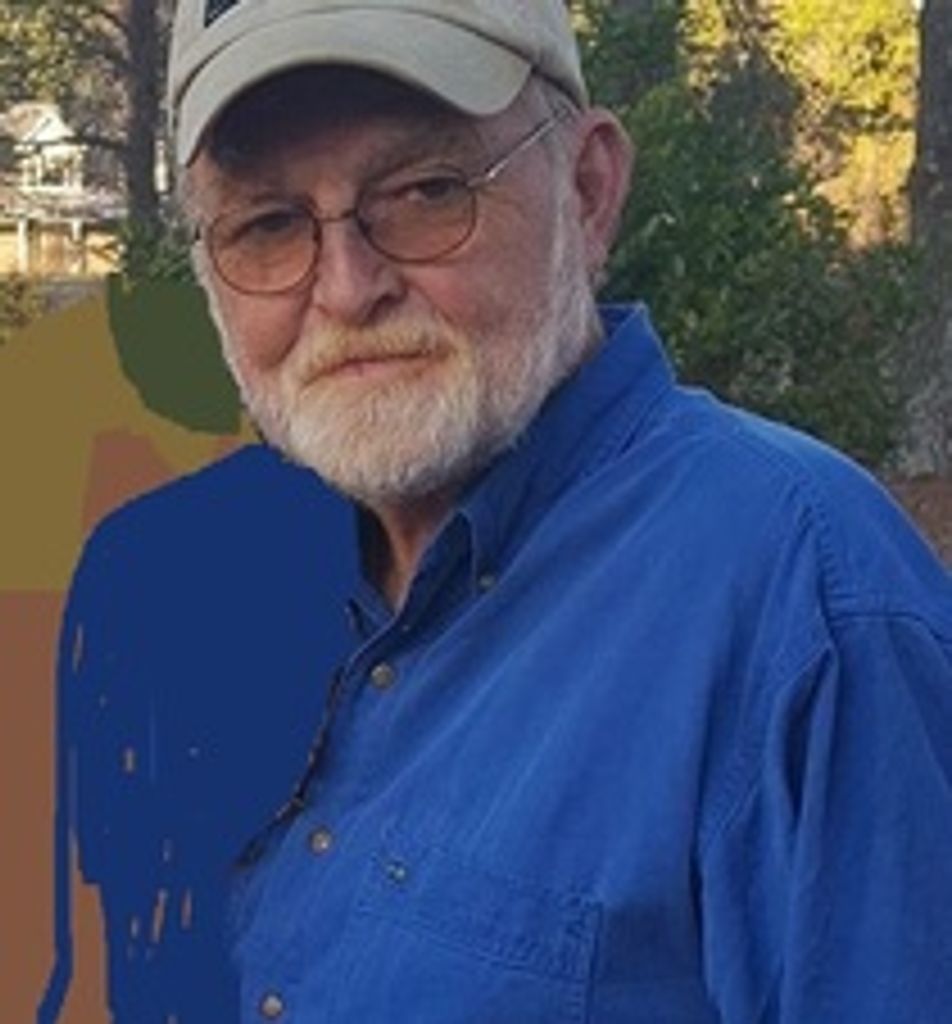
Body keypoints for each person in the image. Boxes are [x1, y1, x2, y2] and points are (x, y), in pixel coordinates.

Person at [43, 0, 952, 1021]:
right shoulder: (222, 587)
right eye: (266, 225)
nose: (346, 289)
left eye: (426, 192)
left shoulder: (809, 607)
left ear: (588, 190)